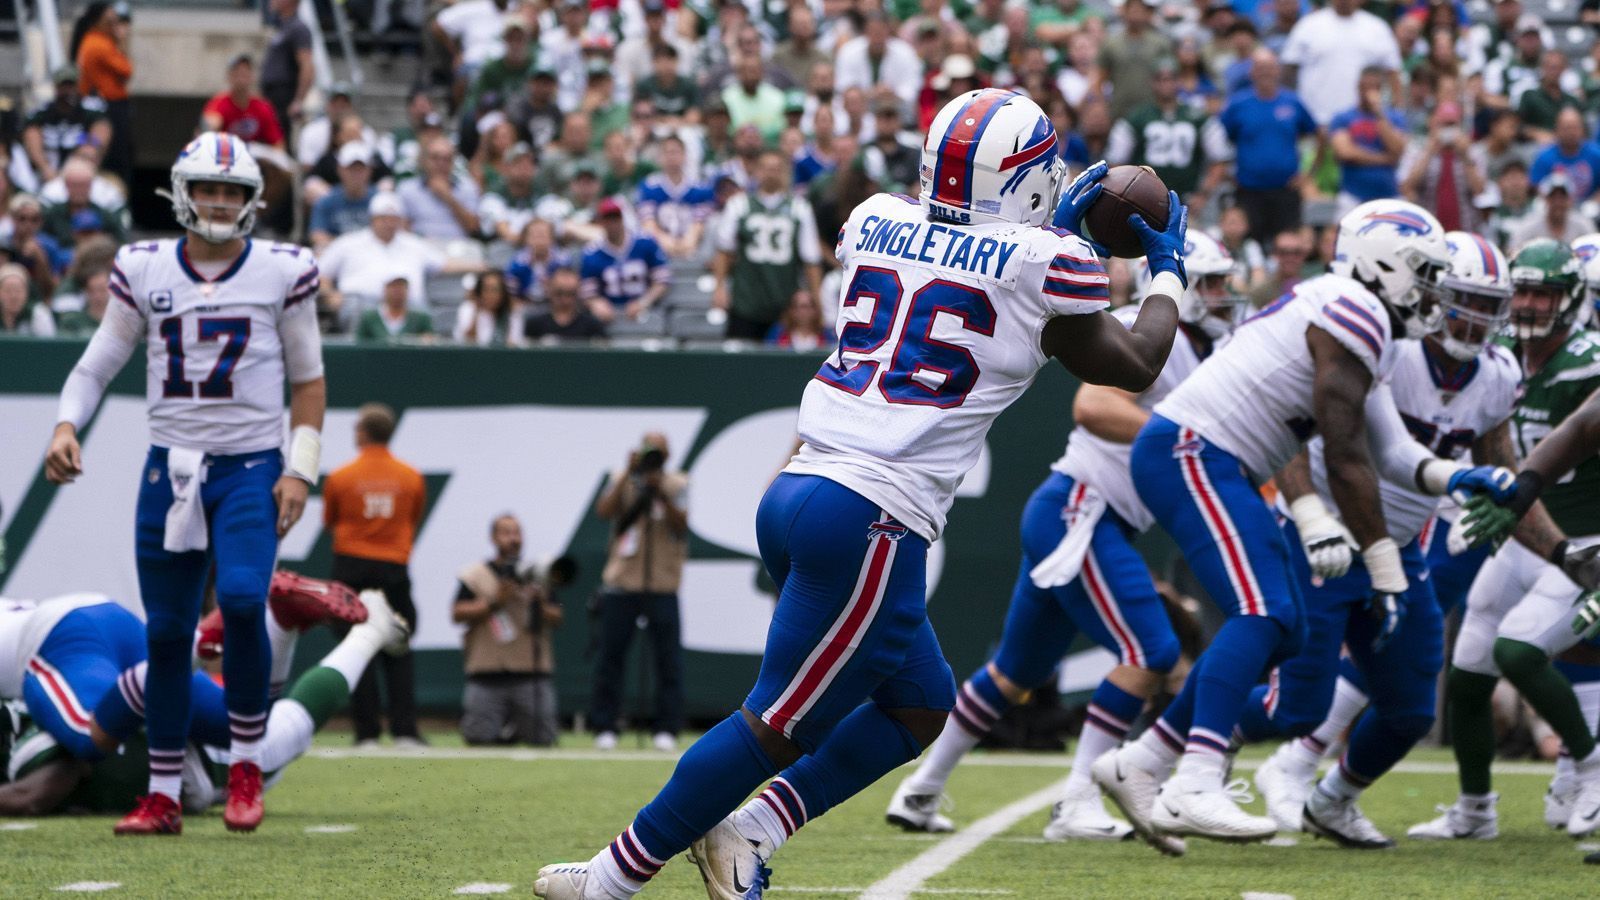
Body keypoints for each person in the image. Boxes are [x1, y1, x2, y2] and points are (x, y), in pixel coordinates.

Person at [533, 88, 1187, 900]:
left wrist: (1045, 227)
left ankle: (751, 833)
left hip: (801, 487)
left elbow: (970, 255)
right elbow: (1135, 361)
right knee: (774, 725)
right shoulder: (1047, 265)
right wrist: (1167, 271)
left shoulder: (875, 218)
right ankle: (607, 879)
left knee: (919, 703)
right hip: (873, 516)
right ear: (1022, 181)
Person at [1094, 199, 1512, 849]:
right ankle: (1196, 777)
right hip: (1195, 449)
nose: (1431, 293)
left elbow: (1394, 452)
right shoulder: (1356, 310)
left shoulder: (1355, 313)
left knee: (1283, 632)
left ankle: (1143, 761)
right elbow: (1345, 459)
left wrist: (1455, 479)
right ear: (1386, 263)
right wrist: (1383, 567)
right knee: (1263, 612)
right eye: (1424, 274)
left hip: (1211, 457)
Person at [886, 234, 1247, 846]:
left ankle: (919, 791)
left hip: (1078, 513)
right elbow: (1092, 405)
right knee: (1150, 651)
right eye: (1205, 283)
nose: (1218, 296)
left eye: (1217, 283)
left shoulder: (1204, 349)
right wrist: (1176, 436)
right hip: (1082, 512)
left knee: (1014, 671)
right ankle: (1077, 801)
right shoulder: (1151, 332)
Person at [42, 132, 326, 835]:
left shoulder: (281, 270)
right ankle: (163, 792)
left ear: (253, 199)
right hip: (168, 469)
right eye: (210, 189)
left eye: (233, 191)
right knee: (167, 635)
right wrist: (65, 425)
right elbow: (97, 362)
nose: (221, 202)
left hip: (250, 465)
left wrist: (300, 468)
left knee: (237, 599)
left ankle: (247, 766)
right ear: (184, 193)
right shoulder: (142, 267)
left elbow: (310, 380)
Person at [1242, 231, 1520, 847]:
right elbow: (1292, 431)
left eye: (1489, 305)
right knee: (1294, 705)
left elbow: (1500, 464)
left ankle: (1333, 800)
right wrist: (1308, 514)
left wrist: (1513, 509)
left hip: (1403, 544)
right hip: (1332, 537)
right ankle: (1178, 752)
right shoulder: (1389, 346)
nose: (1477, 320)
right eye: (1465, 300)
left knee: (1412, 709)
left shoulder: (1499, 372)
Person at [1408, 238, 1600, 842]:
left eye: (1544, 294)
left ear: (1571, 301)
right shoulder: (1500, 357)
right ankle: (1475, 810)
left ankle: (1591, 769)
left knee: (1520, 653)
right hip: (1524, 538)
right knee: (1467, 673)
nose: (1531, 306)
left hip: (1585, 540)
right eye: (1523, 292)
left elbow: (1575, 434)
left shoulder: (1588, 359)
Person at [0, 577, 399, 819]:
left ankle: (204, 637)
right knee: (245, 728)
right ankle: (275, 620)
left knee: (89, 735)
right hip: (95, 617)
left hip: (53, 644)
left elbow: (41, 789)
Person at [321, 403, 427, 748]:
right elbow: (413, 518)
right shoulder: (410, 476)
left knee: (356, 647)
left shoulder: (341, 476)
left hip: (351, 567)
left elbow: (330, 521)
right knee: (398, 646)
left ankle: (366, 732)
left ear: (363, 432)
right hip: (394, 568)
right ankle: (405, 730)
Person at [587, 433, 690, 755]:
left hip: (661, 583)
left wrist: (659, 490)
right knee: (611, 657)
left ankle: (666, 727)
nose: (653, 457)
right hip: (623, 582)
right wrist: (626, 474)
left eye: (658, 451)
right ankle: (605, 725)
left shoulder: (678, 483)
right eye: (648, 451)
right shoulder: (622, 479)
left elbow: (682, 523)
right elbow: (603, 511)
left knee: (667, 659)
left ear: (668, 453)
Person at [453, 514, 564, 746]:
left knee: (545, 739)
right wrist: (495, 601)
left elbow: (558, 616)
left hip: (530, 674)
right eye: (506, 532)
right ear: (493, 538)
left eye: (517, 532)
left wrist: (538, 603)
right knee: (478, 737)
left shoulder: (538, 574)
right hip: (487, 674)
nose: (513, 538)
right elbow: (458, 613)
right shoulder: (475, 575)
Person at [712, 150, 823, 340]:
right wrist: (720, 287)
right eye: (766, 168)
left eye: (776, 168)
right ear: (756, 171)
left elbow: (811, 259)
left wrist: (817, 299)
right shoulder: (738, 205)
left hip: (786, 304)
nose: (771, 173)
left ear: (785, 172)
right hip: (746, 301)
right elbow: (724, 251)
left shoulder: (799, 208)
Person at [1220, 48, 1318, 245]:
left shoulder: (1293, 102)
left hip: (1286, 191)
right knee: (1250, 245)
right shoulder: (1237, 104)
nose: (1265, 72)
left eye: (1270, 67)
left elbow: (1316, 136)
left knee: (1287, 244)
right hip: (1248, 191)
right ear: (1251, 72)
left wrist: (1308, 173)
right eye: (1260, 67)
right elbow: (1221, 141)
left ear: (1278, 70)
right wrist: (1228, 171)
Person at [1279, 0, 1401, 127]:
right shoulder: (1308, 25)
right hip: (1314, 121)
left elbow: (1393, 72)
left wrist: (1397, 111)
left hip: (1365, 123)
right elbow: (1288, 71)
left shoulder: (1378, 28)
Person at [1328, 67, 1408, 215]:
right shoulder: (1343, 117)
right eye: (1366, 86)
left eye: (1375, 87)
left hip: (1389, 194)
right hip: (1352, 196)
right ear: (1358, 86)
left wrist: (1379, 113)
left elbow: (1398, 149)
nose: (1370, 91)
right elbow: (1345, 152)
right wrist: (1385, 159)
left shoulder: (1394, 117)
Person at [579, 199, 670, 324]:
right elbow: (588, 293)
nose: (613, 223)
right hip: (609, 318)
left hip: (646, 313)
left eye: (615, 218)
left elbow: (662, 280)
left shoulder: (645, 242)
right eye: (608, 219)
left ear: (622, 218)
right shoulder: (592, 252)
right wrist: (597, 304)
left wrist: (643, 302)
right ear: (601, 222)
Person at [71, 1, 132, 186]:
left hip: (108, 104)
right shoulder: (98, 44)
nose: (115, 26)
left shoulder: (98, 41)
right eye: (110, 21)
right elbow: (127, 70)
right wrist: (122, 41)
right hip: (108, 106)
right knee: (115, 158)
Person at [22, 66, 111, 184]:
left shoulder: (89, 112)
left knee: (93, 143)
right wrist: (45, 169)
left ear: (77, 86)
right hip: (47, 173)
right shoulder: (43, 113)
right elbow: (31, 134)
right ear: (56, 87)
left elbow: (99, 137)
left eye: (70, 85)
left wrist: (83, 147)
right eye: (63, 86)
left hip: (80, 170)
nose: (67, 91)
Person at [635, 136, 713, 259]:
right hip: (660, 246)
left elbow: (699, 225)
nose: (671, 157)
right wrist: (664, 240)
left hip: (693, 247)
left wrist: (688, 241)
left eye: (676, 152)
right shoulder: (650, 185)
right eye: (667, 152)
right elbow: (648, 223)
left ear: (685, 156)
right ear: (660, 157)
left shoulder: (699, 188)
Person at [397, 135, 481, 242]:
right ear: (423, 160)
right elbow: (402, 229)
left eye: (447, 159)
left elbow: (473, 227)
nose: (441, 164)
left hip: (458, 248)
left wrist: (448, 197)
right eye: (435, 158)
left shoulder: (467, 187)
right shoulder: (407, 189)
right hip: (420, 246)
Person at [201, 55, 285, 150]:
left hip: (254, 157)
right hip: (226, 153)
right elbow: (208, 128)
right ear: (229, 76)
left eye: (246, 71)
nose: (241, 74)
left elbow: (278, 144)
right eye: (237, 71)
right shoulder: (219, 102)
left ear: (252, 76)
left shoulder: (262, 107)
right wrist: (212, 125)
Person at [259, 0, 313, 142]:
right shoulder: (281, 26)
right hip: (271, 97)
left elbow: (307, 66)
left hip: (284, 97)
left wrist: (298, 101)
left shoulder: (298, 28)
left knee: (281, 142)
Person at [309, 141, 377, 251]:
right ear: (340, 170)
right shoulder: (326, 201)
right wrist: (348, 248)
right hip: (338, 254)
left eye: (360, 169)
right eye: (351, 169)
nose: (356, 174)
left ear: (369, 170)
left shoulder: (380, 200)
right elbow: (317, 235)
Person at [1509, 173, 1593, 247]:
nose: (1558, 202)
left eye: (1562, 197)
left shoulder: (1582, 225)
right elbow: (1513, 250)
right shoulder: (1529, 225)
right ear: (1545, 199)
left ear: (1570, 199)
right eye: (1553, 197)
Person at [525, 266, 606, 341]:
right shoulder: (535, 323)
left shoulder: (592, 325)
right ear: (549, 291)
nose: (565, 300)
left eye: (571, 294)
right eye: (559, 293)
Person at [355, 273, 435, 343]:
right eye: (393, 287)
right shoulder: (369, 317)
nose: (397, 291)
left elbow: (431, 340)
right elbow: (359, 342)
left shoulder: (421, 318)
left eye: (401, 287)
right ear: (385, 289)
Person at [453, 269, 526, 346]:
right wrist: (476, 312)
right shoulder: (468, 309)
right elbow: (466, 342)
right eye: (486, 289)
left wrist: (509, 315)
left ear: (503, 293)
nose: (491, 295)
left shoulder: (512, 312)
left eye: (495, 290)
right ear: (479, 291)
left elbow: (513, 345)